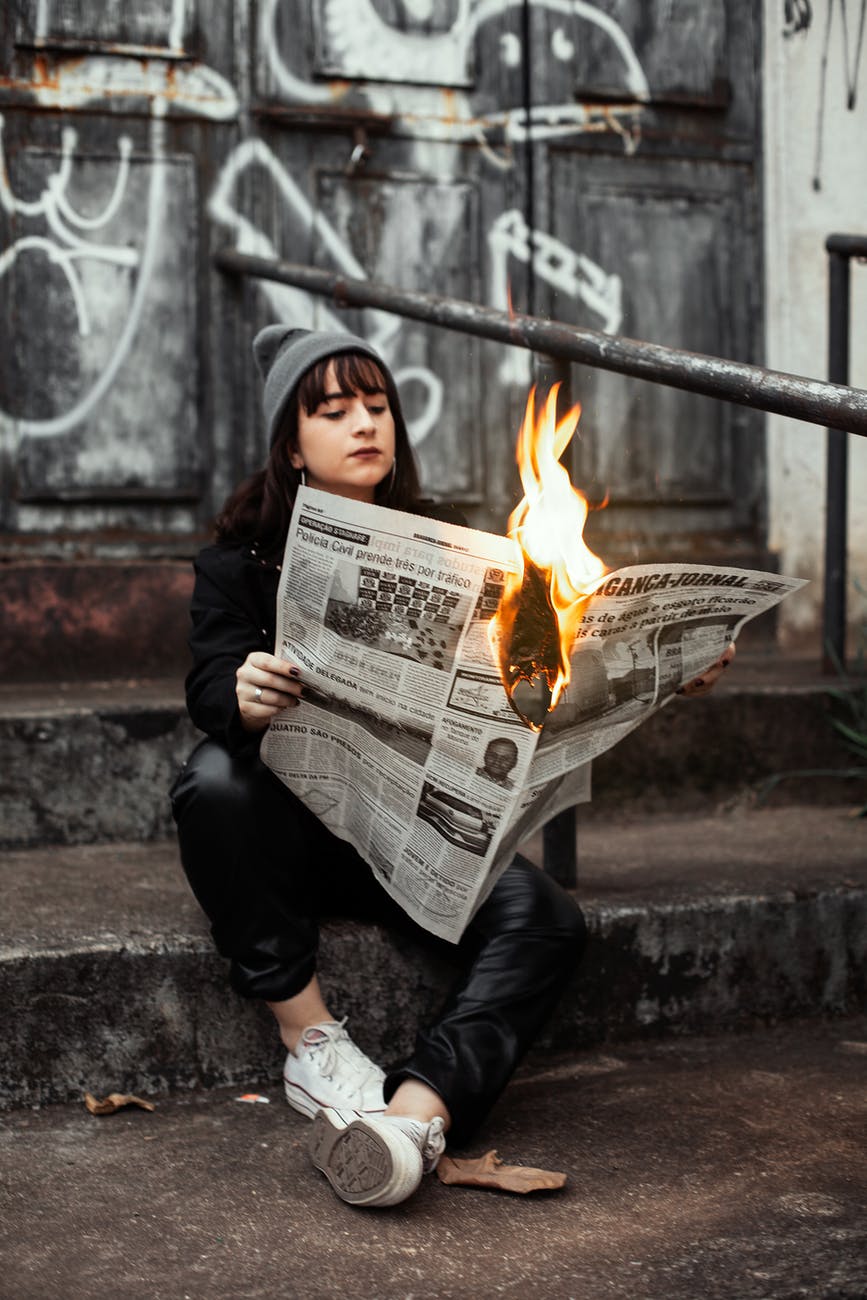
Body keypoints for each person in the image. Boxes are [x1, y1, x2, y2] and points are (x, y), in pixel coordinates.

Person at [171, 325, 733, 1211]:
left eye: (377, 404)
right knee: (209, 781)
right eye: (333, 410)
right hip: (292, 838)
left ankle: (411, 1118)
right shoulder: (236, 566)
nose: (365, 423)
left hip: (417, 840)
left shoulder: (451, 552)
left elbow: (537, 685)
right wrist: (237, 691)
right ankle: (312, 1045)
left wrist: (663, 674)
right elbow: (210, 679)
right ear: (293, 443)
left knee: (545, 917)